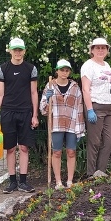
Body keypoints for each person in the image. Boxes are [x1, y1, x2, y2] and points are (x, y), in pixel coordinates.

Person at [0, 37, 39, 193]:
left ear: (24, 51)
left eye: (20, 50)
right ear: (10, 51)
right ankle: (12, 182)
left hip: (25, 112)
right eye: (15, 49)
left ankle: (23, 181)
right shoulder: (2, 69)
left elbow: (33, 92)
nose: (17, 52)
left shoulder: (31, 69)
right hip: (8, 112)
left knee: (24, 147)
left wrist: (35, 115)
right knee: (10, 148)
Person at [40, 59, 85, 189]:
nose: (64, 72)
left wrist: (80, 127)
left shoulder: (75, 87)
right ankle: (58, 182)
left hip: (72, 123)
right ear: (57, 71)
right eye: (62, 70)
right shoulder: (50, 86)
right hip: (56, 124)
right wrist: (48, 100)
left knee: (71, 151)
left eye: (67, 70)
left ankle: (70, 181)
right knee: (57, 152)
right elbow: (43, 109)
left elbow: (79, 107)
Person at [80, 37, 111, 178]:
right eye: (97, 48)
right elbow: (85, 89)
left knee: (109, 140)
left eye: (103, 48)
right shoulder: (88, 66)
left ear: (107, 50)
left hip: (108, 108)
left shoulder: (106, 65)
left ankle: (100, 172)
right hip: (95, 107)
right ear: (92, 50)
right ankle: (91, 174)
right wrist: (89, 109)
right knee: (94, 142)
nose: (101, 50)